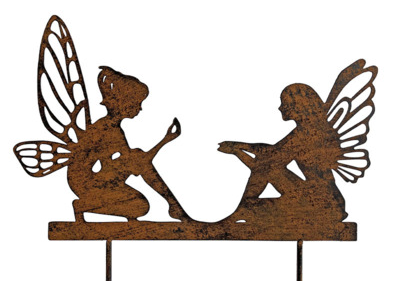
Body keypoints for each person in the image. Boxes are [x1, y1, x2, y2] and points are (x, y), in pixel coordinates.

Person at [68, 66, 190, 222]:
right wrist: (164, 142)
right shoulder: (105, 129)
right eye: (136, 103)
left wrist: (165, 140)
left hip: (100, 180)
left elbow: (130, 164)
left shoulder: (114, 128)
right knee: (137, 156)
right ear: (123, 102)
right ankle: (174, 207)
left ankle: (169, 208)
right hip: (86, 183)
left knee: (140, 206)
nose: (140, 108)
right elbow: (135, 163)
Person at [218, 83, 347, 224]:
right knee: (262, 179)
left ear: (297, 105)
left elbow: (270, 158)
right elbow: (273, 152)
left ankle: (239, 213)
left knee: (265, 170)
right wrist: (239, 149)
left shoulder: (307, 133)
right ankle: (241, 211)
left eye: (284, 103)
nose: (280, 108)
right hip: (325, 202)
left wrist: (237, 150)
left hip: (323, 205)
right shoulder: (306, 131)